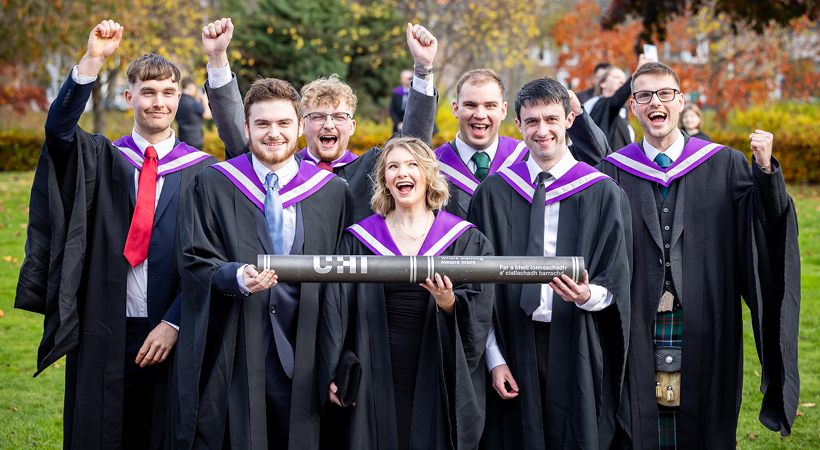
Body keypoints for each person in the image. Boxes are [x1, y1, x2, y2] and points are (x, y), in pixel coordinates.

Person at [15, 20, 232, 450]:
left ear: (179, 98)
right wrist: (92, 59)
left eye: (168, 93)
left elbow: (214, 256)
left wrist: (175, 321)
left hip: (174, 326)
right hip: (105, 321)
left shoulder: (204, 172)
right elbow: (58, 131)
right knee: (101, 430)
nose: (159, 102)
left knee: (168, 431)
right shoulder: (100, 159)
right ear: (129, 97)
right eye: (148, 93)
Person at [594, 62, 799, 449]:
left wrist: (765, 171)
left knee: (706, 421)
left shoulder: (725, 164)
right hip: (637, 320)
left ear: (681, 100)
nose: (656, 102)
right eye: (644, 95)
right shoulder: (611, 173)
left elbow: (767, 227)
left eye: (665, 93)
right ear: (634, 108)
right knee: (639, 423)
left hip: (708, 316)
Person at [174, 77, 352, 450]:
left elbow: (345, 278)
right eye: (263, 124)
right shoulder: (215, 184)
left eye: (284, 123)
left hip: (307, 348)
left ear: (301, 127)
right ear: (246, 128)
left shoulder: (332, 192)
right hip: (237, 346)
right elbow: (193, 257)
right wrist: (234, 276)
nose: (274, 133)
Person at [470, 77, 632, 450]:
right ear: (518, 125)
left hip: (577, 338)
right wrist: (494, 359)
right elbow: (479, 288)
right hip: (511, 341)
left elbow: (618, 279)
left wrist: (587, 294)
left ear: (570, 119)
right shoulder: (493, 193)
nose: (542, 131)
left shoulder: (602, 192)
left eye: (551, 119)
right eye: (532, 121)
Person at [318, 137, 494, 450]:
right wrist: (334, 369)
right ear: (384, 180)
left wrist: (449, 302)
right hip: (375, 365)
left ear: (428, 174)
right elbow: (336, 309)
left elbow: (480, 309)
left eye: (413, 164)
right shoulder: (360, 239)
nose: (403, 172)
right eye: (393, 166)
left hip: (435, 364)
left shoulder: (463, 239)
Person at [201, 18, 439, 223]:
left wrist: (423, 68)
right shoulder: (280, 167)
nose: (328, 125)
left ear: (352, 126)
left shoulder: (373, 167)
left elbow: (413, 143)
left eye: (338, 117)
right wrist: (217, 59)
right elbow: (235, 133)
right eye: (317, 116)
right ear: (302, 125)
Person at [435, 69, 610, 219]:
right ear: (456, 109)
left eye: (490, 105)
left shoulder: (527, 154)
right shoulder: (434, 166)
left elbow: (597, 159)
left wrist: (576, 113)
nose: (480, 114)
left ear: (503, 111)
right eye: (471, 105)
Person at [588, 57, 648, 152]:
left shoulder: (622, 110)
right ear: (603, 83)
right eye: (616, 77)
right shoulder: (598, 104)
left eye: (624, 79)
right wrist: (638, 71)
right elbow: (616, 100)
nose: (622, 81)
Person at [175, 77, 212, 150]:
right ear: (191, 88)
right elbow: (207, 115)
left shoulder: (178, 101)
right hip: (195, 142)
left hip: (182, 140)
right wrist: (205, 100)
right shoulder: (193, 103)